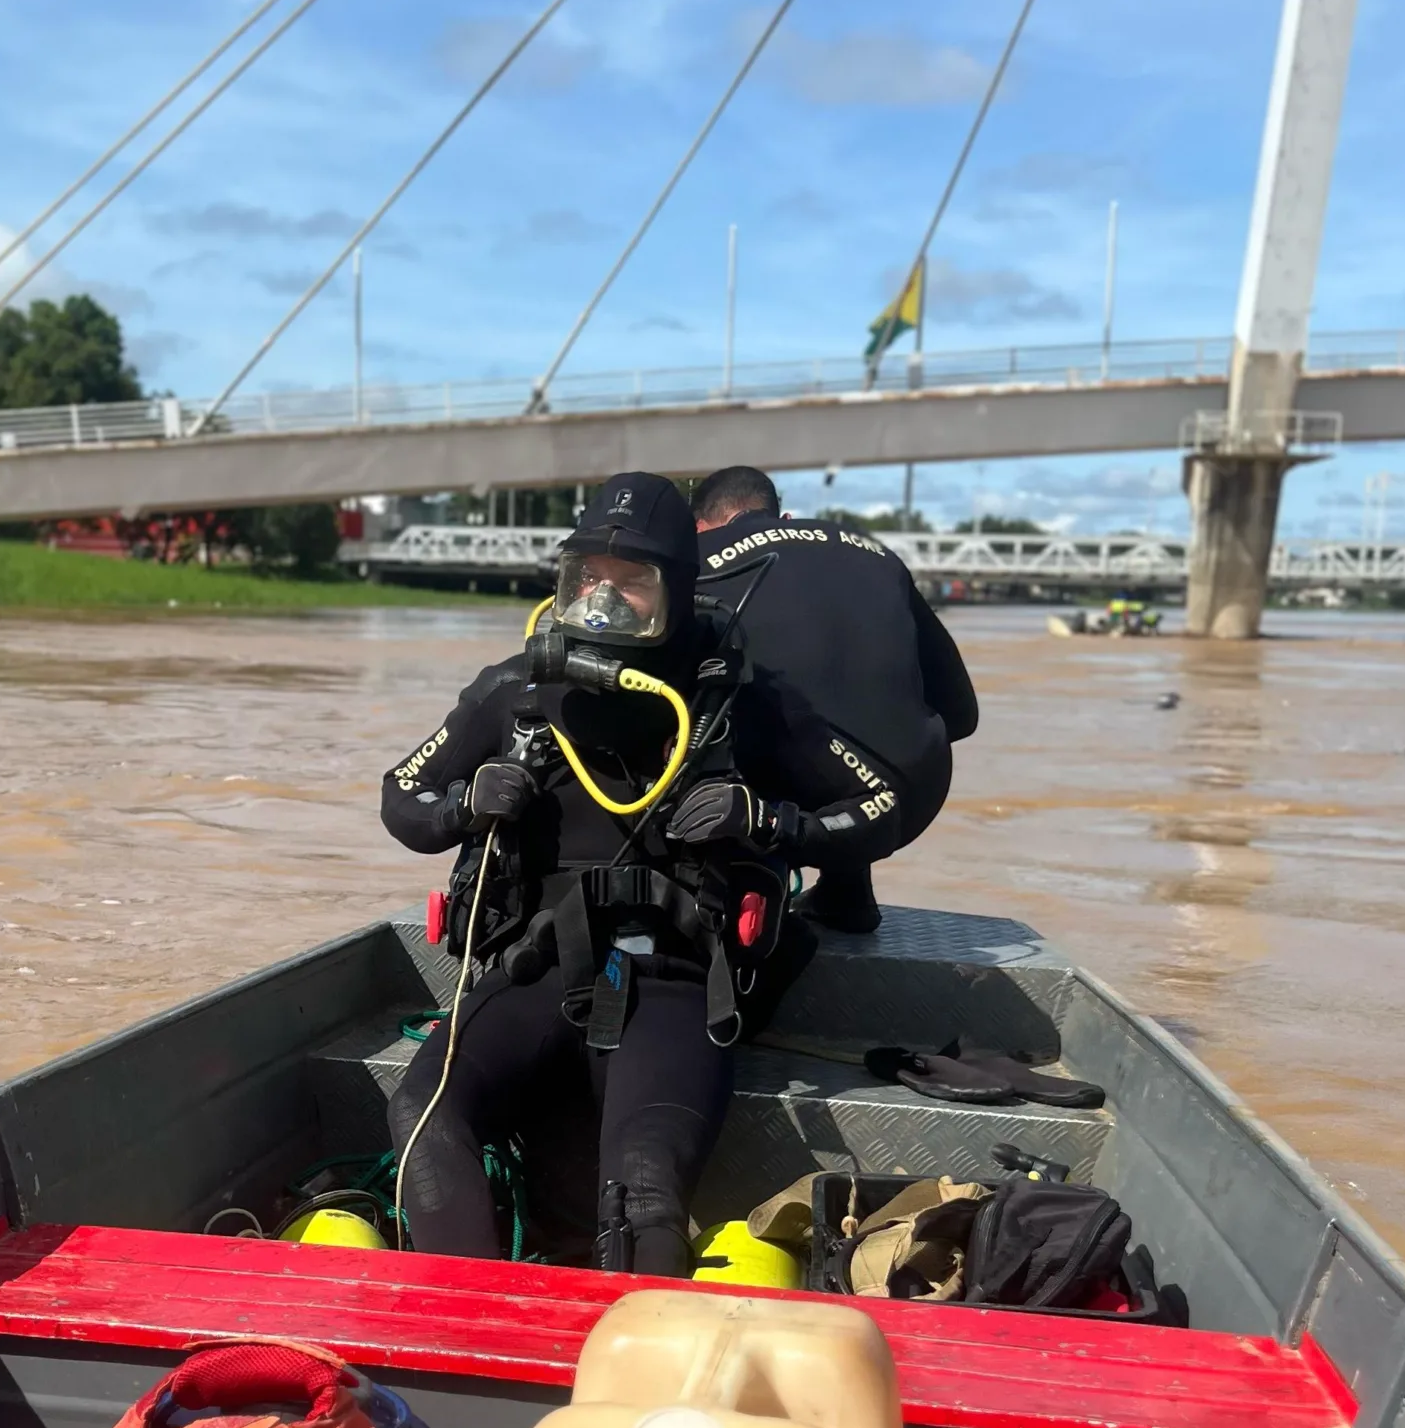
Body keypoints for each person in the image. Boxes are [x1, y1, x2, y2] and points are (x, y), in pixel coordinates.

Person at [380, 472, 818, 1275]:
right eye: (587, 579)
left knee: (643, 1193)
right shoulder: (514, 689)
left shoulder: (740, 701)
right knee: (420, 1112)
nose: (604, 602)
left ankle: (630, 1376)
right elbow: (400, 796)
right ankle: (474, 1336)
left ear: (678, 592)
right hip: (527, 968)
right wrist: (461, 808)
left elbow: (878, 805)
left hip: (676, 983)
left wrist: (764, 819)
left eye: (632, 584)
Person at [689, 465, 978, 932]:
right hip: (914, 795)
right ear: (780, 516)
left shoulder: (696, 558)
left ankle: (728, 893)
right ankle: (847, 892)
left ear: (701, 525)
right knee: (836, 708)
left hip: (766, 810)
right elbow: (962, 716)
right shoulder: (874, 552)